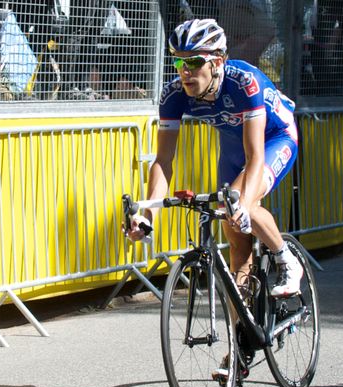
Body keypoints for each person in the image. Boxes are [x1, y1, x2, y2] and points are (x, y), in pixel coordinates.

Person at [126, 19, 303, 297]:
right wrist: (149, 216)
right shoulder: (173, 94)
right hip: (233, 147)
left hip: (275, 138)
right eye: (179, 63)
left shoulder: (244, 82)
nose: (185, 71)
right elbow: (163, 161)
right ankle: (244, 325)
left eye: (194, 62)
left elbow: (255, 156)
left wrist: (244, 204)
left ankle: (285, 259)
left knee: (239, 200)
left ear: (217, 62)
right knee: (235, 238)